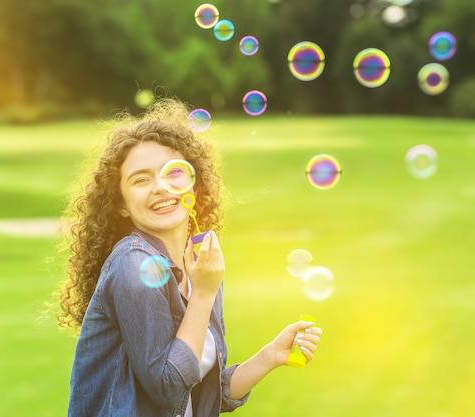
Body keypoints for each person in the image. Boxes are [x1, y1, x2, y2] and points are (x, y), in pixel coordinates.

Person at [57, 98, 323, 416]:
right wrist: (204, 293)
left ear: (194, 187)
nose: (160, 186)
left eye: (173, 173)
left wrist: (269, 356)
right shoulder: (134, 264)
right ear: (121, 205)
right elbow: (168, 389)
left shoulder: (199, 263)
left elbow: (200, 395)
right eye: (141, 180)